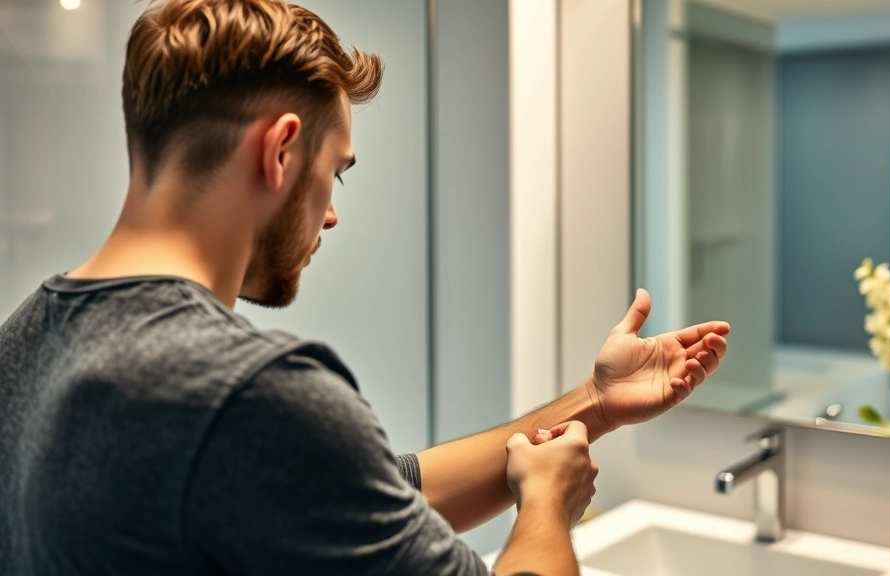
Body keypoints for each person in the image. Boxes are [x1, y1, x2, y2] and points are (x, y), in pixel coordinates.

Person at [0, 1, 730, 575]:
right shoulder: (248, 393)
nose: (333, 211)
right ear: (280, 149)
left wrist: (595, 405)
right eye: (336, 170)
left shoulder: (25, 340)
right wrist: (546, 503)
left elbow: (369, 489)